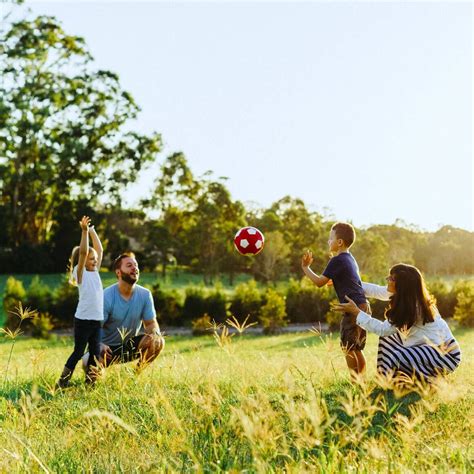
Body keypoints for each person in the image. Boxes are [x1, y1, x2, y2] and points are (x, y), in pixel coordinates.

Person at [332, 263, 461, 381]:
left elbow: (383, 329)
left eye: (392, 278)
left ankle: (429, 381)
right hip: (429, 349)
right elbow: (377, 290)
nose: (387, 280)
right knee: (388, 339)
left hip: (445, 354)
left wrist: (356, 312)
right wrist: (346, 284)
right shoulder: (407, 296)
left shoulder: (413, 306)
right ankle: (386, 378)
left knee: (399, 356)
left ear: (403, 285)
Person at [302, 222, 369, 376]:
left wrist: (306, 268)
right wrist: (336, 280)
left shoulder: (336, 260)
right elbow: (350, 278)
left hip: (352, 308)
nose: (328, 241)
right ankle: (362, 381)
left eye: (330, 238)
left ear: (340, 242)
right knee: (357, 348)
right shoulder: (350, 258)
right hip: (363, 305)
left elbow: (319, 282)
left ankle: (355, 382)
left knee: (348, 348)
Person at [83, 252, 165, 370]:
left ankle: (135, 375)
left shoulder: (145, 295)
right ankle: (92, 379)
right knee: (88, 363)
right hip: (105, 349)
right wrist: (99, 344)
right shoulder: (106, 296)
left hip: (129, 347)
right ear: (118, 272)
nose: (135, 268)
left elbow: (151, 323)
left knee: (158, 340)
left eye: (136, 265)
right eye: (129, 265)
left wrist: (155, 333)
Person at [57, 216, 104, 388]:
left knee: (94, 353)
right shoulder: (80, 273)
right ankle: (62, 381)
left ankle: (90, 383)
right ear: (82, 261)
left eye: (95, 259)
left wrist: (91, 230)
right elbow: (84, 252)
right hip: (83, 321)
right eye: (92, 259)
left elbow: (99, 248)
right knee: (78, 352)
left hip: (96, 320)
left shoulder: (95, 272)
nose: (95, 260)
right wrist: (84, 232)